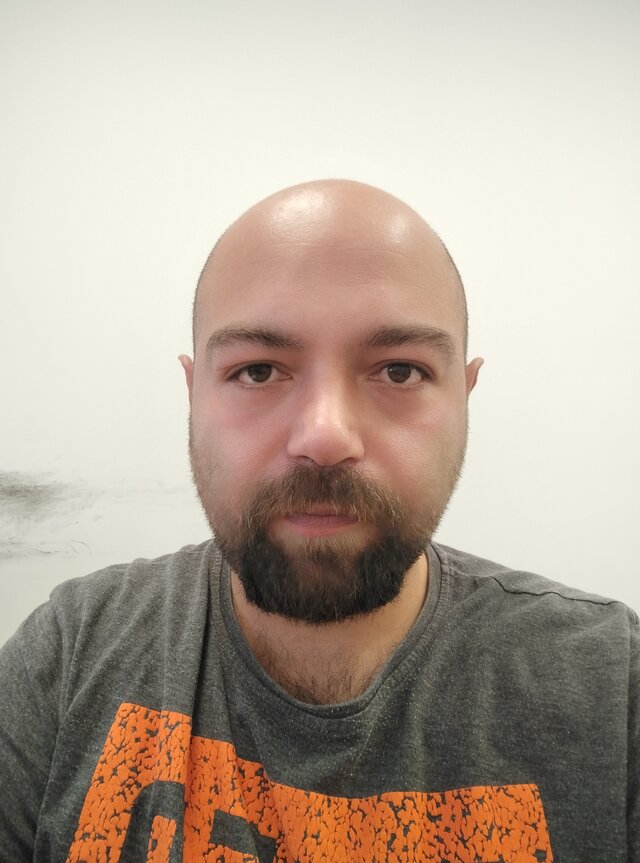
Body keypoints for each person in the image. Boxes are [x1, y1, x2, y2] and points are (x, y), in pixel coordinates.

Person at [0, 179, 637, 862]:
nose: (324, 436)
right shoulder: (71, 654)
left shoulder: (612, 688)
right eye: (257, 371)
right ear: (193, 392)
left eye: (400, 371)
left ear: (464, 394)